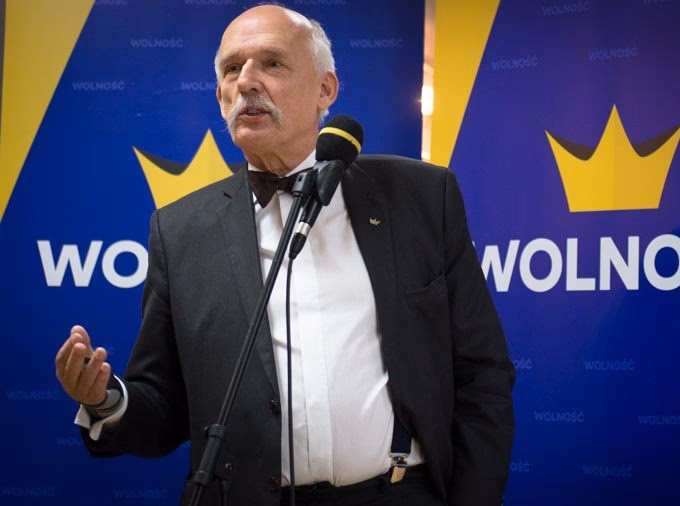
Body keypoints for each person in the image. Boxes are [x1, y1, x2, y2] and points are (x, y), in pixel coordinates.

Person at [54, 5, 514, 505]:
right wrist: (106, 401)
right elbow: (166, 405)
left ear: (325, 89)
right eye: (232, 68)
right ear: (220, 96)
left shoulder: (421, 197)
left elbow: (481, 373)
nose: (247, 81)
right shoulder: (180, 231)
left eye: (272, 63)